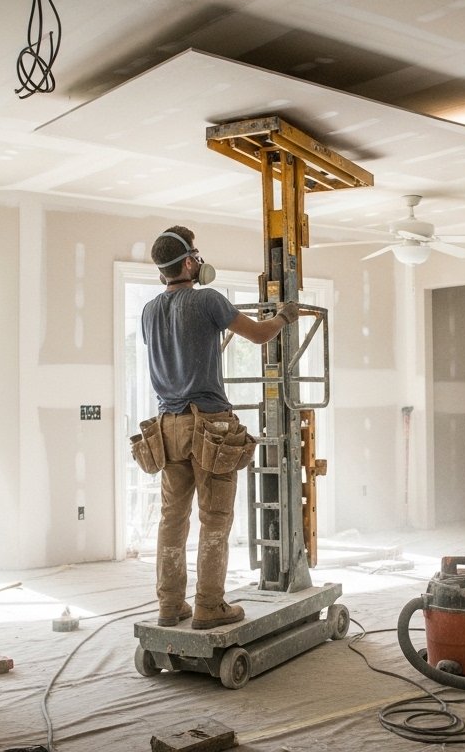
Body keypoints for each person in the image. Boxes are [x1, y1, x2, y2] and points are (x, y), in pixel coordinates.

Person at [140, 226, 298, 629]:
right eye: (196, 256)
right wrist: (284, 315)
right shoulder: (207, 299)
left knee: (172, 520)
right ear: (189, 263)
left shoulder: (149, 311)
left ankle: (169, 606)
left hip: (167, 427)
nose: (199, 261)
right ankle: (209, 606)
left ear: (161, 271)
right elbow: (259, 335)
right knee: (214, 519)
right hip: (210, 425)